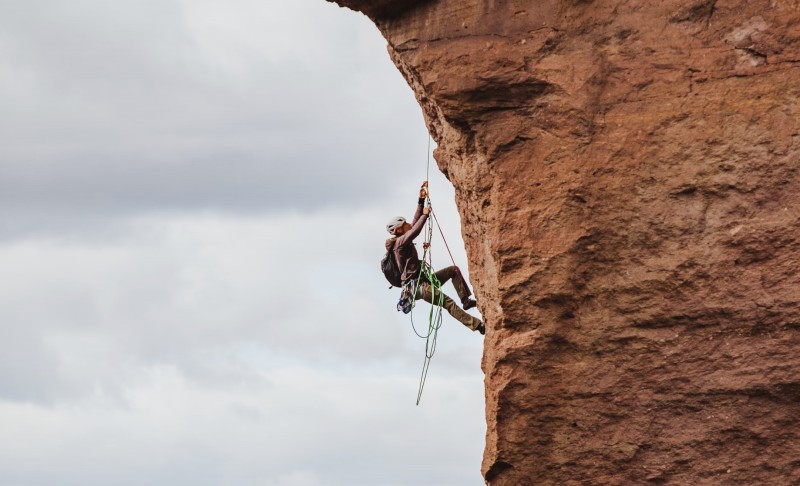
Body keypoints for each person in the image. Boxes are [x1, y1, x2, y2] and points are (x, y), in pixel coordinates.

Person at [385, 182, 485, 335]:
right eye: (405, 224)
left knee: (453, 270)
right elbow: (416, 229)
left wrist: (420, 201)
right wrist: (425, 214)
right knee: (448, 303)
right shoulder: (400, 243)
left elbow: (414, 224)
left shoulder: (402, 239)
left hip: (422, 281)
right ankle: (477, 326)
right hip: (418, 286)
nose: (409, 224)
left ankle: (465, 301)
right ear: (399, 229)